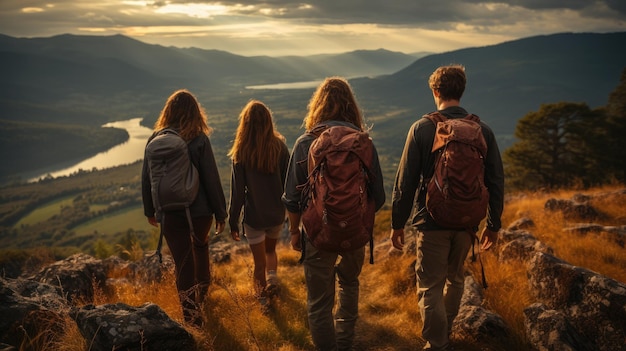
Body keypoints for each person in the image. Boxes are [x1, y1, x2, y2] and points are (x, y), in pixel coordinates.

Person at [389, 64, 505, 351]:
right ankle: (445, 334)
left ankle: (437, 342)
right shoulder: (483, 130)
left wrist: (397, 223)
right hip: (467, 222)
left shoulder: (422, 128)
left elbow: (405, 183)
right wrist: (493, 224)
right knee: (455, 280)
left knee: (429, 284)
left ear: (435, 91)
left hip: (430, 222)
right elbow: (495, 180)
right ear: (461, 91)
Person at [282, 77, 386, 351]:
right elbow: (380, 195)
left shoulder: (306, 142)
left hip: (317, 233)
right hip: (355, 229)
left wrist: (295, 232)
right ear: (352, 107)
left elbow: (292, 198)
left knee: (319, 300)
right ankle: (345, 342)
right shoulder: (364, 143)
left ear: (317, 106)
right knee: (349, 283)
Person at [141, 89, 227, 327]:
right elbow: (211, 178)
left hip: (169, 212)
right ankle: (204, 294)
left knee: (182, 261)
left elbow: (147, 178)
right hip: (199, 212)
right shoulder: (199, 138)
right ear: (195, 112)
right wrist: (221, 213)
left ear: (167, 112)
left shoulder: (155, 140)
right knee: (200, 247)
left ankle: (191, 319)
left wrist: (151, 210)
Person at [227, 99, 290, 311]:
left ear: (245, 123)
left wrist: (233, 221)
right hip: (276, 214)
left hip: (254, 217)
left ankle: (263, 302)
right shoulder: (280, 148)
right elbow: (289, 182)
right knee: (271, 251)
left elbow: (237, 193)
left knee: (259, 263)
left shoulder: (241, 153)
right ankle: (273, 279)